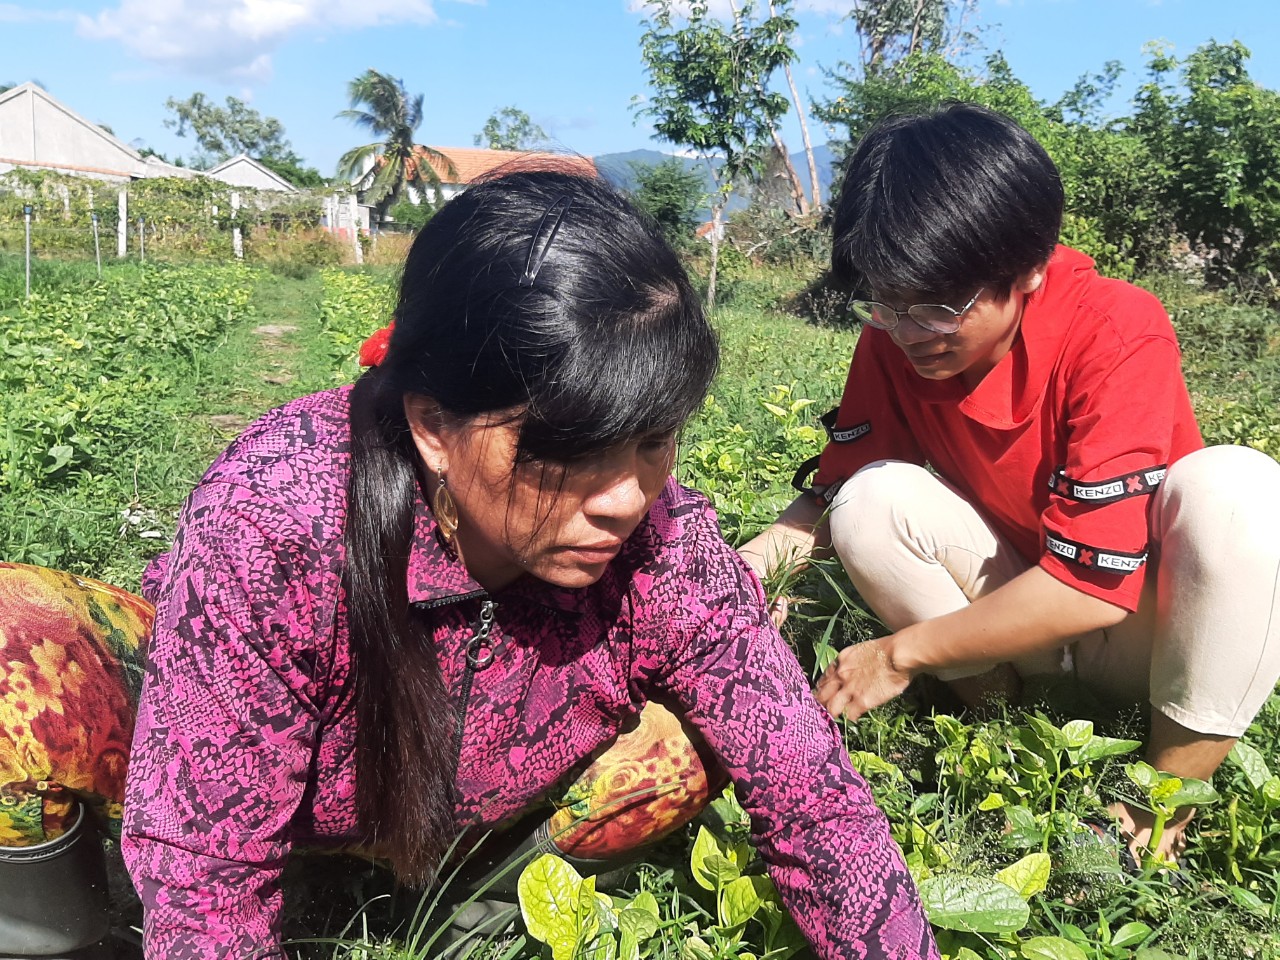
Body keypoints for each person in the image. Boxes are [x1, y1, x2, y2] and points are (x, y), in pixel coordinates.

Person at [119, 169, 938, 959]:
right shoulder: (277, 522)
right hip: (269, 784)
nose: (624, 499)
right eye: (568, 452)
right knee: (25, 663)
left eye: (654, 441)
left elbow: (813, 795)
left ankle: (484, 898)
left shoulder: (665, 545)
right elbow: (206, 869)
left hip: (479, 811)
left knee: (711, 734)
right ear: (435, 427)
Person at [739, 103, 1280, 867]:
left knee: (1240, 490)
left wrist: (899, 655)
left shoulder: (1115, 328)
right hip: (1023, 611)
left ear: (1030, 268)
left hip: (1143, 634)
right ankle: (1001, 723)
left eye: (939, 307)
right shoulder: (894, 335)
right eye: (886, 300)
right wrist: (729, 582)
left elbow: (1095, 585)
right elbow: (833, 496)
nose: (908, 330)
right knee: (870, 501)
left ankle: (1157, 804)